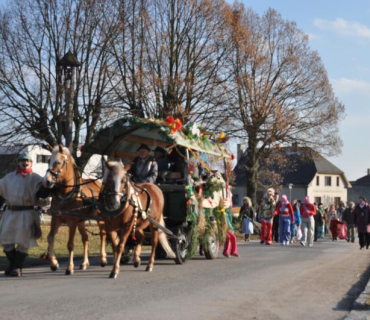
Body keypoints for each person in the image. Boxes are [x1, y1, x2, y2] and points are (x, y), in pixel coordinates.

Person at [0, 152, 50, 277]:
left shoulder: (36, 178)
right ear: (18, 162)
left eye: (27, 160)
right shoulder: (8, 178)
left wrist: (46, 188)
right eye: (22, 160)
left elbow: (43, 195)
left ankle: (16, 267)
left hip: (27, 213)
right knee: (6, 241)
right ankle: (13, 264)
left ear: (31, 163)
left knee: (24, 242)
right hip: (10, 213)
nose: (25, 162)